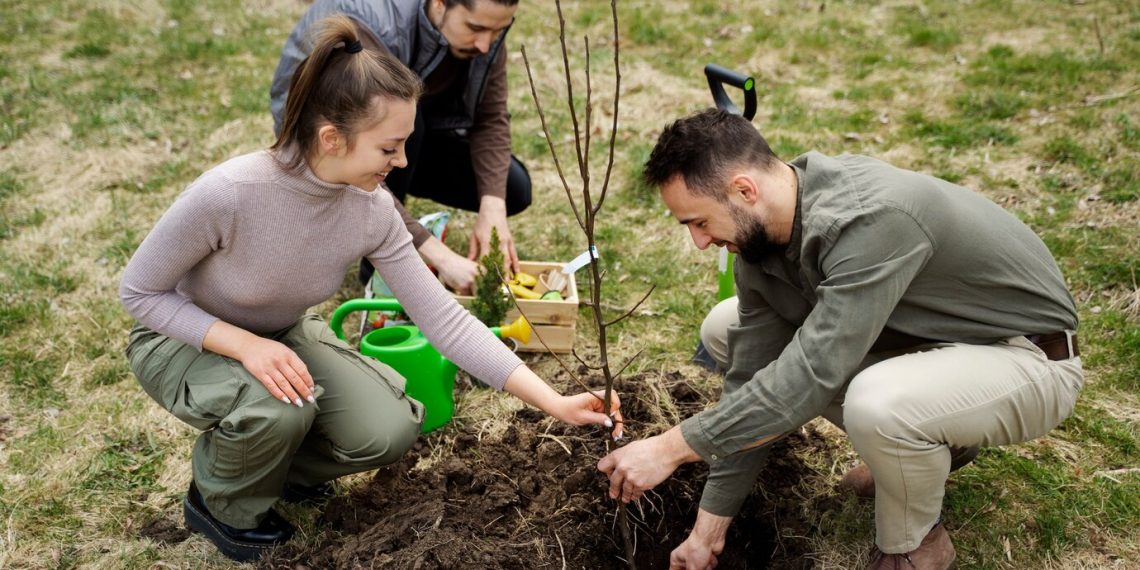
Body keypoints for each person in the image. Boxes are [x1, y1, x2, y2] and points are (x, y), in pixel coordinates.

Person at [121, 16, 619, 563]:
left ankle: (268, 466)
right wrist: (244, 345)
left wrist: (555, 403)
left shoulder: (372, 210)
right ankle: (220, 500)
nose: (403, 162)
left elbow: (443, 319)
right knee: (280, 409)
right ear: (332, 138)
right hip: (181, 339)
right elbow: (140, 293)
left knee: (388, 427)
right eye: (390, 148)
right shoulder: (230, 193)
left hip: (279, 333)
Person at [597, 109, 1083, 570]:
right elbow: (752, 383)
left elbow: (810, 375)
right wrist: (708, 533)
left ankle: (916, 545)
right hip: (930, 346)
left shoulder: (868, 219)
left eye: (699, 222)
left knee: (877, 404)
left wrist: (670, 448)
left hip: (1026, 358)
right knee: (724, 327)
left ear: (744, 190)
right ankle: (923, 452)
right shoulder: (762, 246)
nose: (700, 243)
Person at [271, 0, 529, 294]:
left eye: (499, 30)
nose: (486, 45)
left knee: (512, 189)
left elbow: (490, 118)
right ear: (440, 4)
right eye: (476, 28)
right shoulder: (371, 28)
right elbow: (352, 144)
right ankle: (382, 255)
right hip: (330, 148)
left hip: (403, 131)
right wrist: (432, 250)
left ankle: (395, 213)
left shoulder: (484, 37)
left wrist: (493, 208)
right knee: (406, 120)